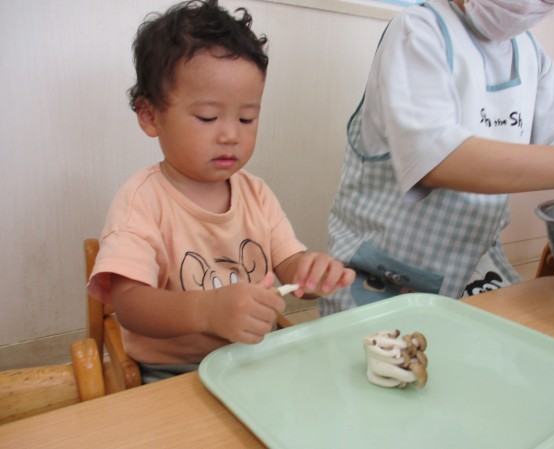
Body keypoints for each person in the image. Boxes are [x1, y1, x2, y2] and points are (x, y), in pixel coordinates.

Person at [88, 0, 355, 383]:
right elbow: (130, 306)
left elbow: (289, 263)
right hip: (173, 372)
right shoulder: (141, 202)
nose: (231, 134)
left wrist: (311, 273)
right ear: (150, 115)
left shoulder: (256, 193)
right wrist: (207, 310)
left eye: (247, 118)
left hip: (256, 357)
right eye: (208, 117)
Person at [321, 0, 554, 315]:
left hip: (473, 267)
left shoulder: (532, 57)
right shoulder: (419, 29)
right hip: (381, 272)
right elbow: (437, 159)